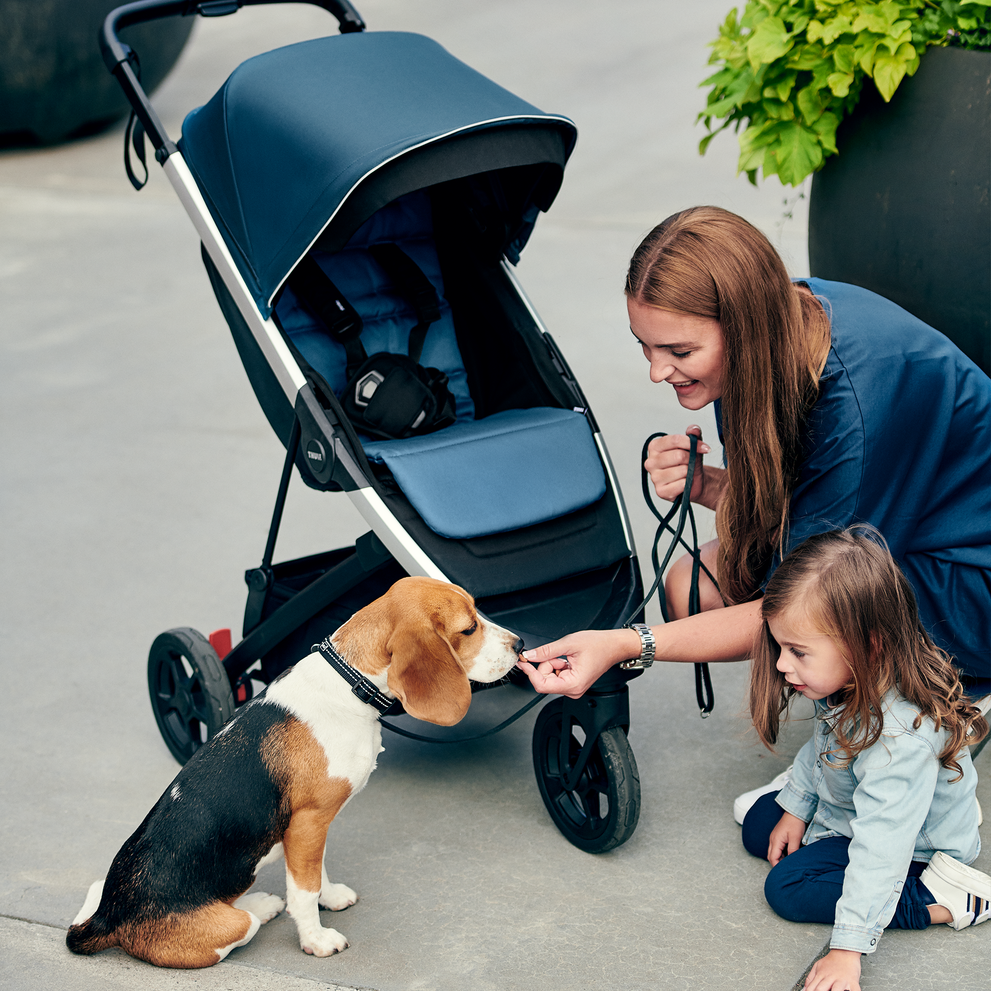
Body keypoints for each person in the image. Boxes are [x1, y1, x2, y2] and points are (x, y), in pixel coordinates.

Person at [516, 205, 991, 698]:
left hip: (970, 575)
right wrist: (713, 486)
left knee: (821, 621)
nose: (657, 373)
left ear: (744, 327)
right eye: (645, 345)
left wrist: (626, 644)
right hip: (904, 534)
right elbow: (810, 507)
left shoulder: (859, 402)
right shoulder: (772, 325)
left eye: (679, 352)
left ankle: (920, 720)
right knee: (691, 590)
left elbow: (813, 597)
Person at [740, 527, 989, 991]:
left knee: (788, 889)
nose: (780, 664)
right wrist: (796, 806)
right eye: (780, 647)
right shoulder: (850, 680)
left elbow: (880, 851)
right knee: (762, 824)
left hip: (910, 849)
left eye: (797, 651)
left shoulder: (900, 742)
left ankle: (945, 898)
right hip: (854, 806)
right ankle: (931, 805)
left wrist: (846, 950)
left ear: (867, 645)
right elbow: (821, 747)